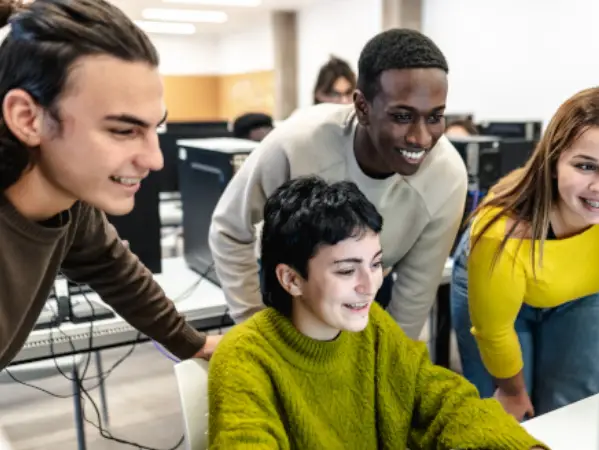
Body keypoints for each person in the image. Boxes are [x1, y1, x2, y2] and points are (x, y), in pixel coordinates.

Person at [207, 176, 548, 450]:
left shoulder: (374, 328)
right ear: (292, 279)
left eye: (375, 264)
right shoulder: (245, 357)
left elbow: (443, 399)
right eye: (346, 271)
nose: (369, 285)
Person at [0, 0, 220, 370]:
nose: (155, 160)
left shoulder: (70, 204)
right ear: (27, 118)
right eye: (123, 130)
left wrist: (192, 344)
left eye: (154, 128)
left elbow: (113, 269)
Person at [209, 28, 468, 340]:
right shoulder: (298, 142)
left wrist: (387, 359)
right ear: (362, 108)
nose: (421, 138)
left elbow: (414, 296)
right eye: (402, 116)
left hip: (369, 294)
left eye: (435, 117)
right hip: (287, 295)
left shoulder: (446, 177)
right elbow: (229, 230)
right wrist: (254, 326)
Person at [450, 85, 599, 419]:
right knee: (504, 420)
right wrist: (513, 391)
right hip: (497, 290)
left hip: (585, 291)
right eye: (585, 166)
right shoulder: (502, 231)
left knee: (571, 410)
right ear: (554, 161)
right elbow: (494, 331)